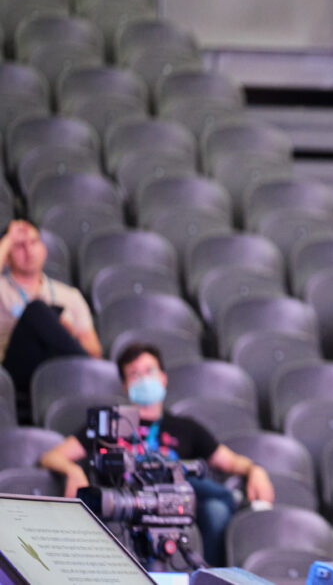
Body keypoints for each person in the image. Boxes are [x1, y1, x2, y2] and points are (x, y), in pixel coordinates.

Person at [38, 343, 274, 567]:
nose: (144, 379)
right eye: (134, 374)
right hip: (127, 500)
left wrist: (256, 470)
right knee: (169, 467)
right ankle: (232, 497)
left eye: (149, 371)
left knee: (212, 506)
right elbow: (51, 456)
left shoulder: (186, 428)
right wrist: (73, 470)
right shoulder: (110, 423)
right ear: (125, 385)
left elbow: (231, 461)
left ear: (163, 377)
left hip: (173, 504)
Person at [0, 220, 101, 397]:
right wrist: (8, 239)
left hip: (63, 374)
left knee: (48, 316)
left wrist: (68, 332)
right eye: (19, 245)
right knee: (37, 310)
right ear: (7, 255)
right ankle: (100, 379)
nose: (28, 250)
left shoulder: (70, 295)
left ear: (44, 249)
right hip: (15, 375)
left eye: (33, 242)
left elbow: (95, 352)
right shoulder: (2, 288)